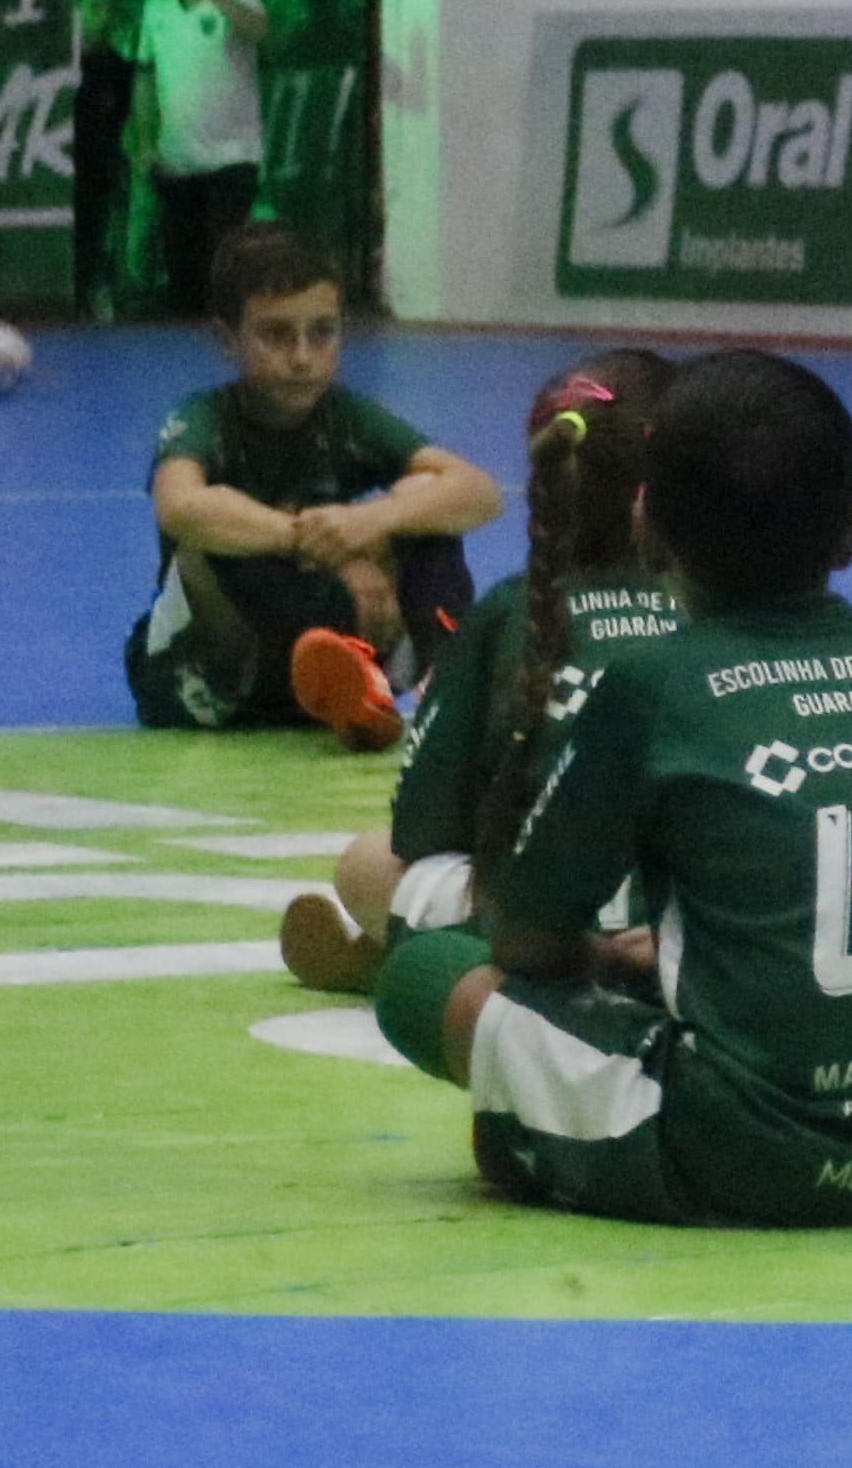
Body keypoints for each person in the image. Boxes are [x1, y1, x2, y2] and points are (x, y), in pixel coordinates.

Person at [364, 351, 852, 1228]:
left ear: (647, 528)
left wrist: (611, 963)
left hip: (765, 1158)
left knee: (425, 974)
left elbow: (526, 935)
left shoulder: (654, 685)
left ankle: (559, 1133)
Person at [282, 351, 676, 997]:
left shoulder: (509, 611)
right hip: (693, 938)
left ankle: (415, 966)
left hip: (541, 934)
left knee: (366, 862)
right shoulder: (723, 617)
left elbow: (421, 829)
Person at [128, 220, 502, 748]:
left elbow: (480, 493)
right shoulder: (204, 418)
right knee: (213, 533)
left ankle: (445, 685)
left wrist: (373, 520)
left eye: (322, 333)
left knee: (425, 498)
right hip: (213, 674)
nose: (303, 357)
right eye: (277, 335)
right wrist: (327, 547)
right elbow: (179, 507)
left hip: (329, 652)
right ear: (228, 339)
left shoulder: (348, 417)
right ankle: (326, 671)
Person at [138, 0, 267, 314]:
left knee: (223, 260)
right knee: (183, 271)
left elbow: (262, 32)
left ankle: (227, 333)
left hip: (232, 157)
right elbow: (145, 78)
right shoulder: (157, 8)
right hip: (177, 159)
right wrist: (145, 143)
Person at [69, 0, 140, 321]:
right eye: (94, 6)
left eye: (110, 7)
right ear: (77, 10)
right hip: (55, 177)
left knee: (92, 244)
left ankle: (90, 303)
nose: (102, 15)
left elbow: (129, 125)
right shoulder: (57, 65)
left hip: (97, 175)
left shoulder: (121, 72)